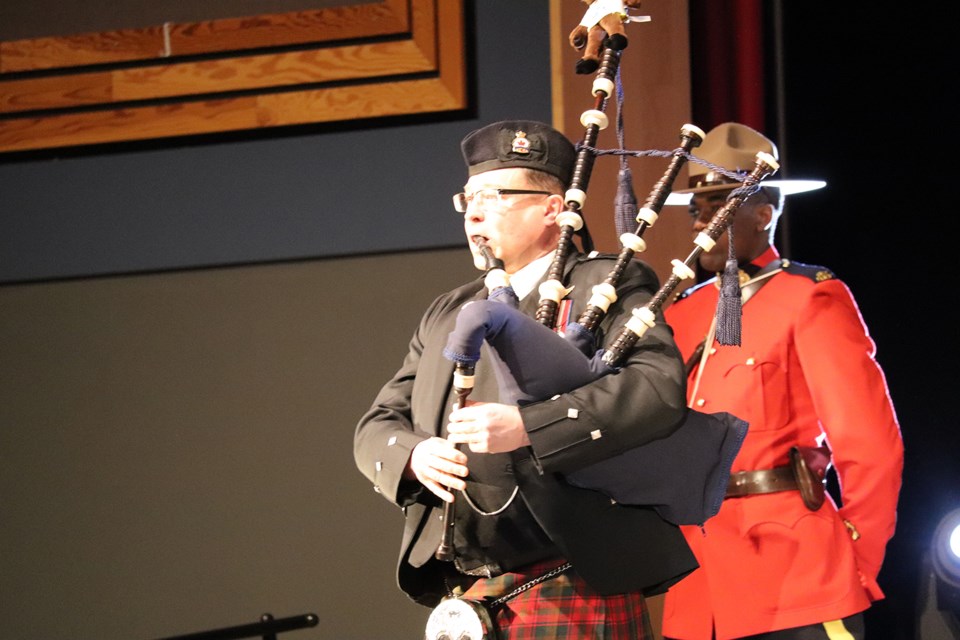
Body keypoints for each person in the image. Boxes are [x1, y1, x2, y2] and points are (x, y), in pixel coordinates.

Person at [354, 119, 699, 638]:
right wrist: (412, 455)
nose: (473, 211)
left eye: (493, 195)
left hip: (569, 575)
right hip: (467, 589)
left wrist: (530, 426)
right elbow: (379, 422)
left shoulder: (604, 283)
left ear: (553, 210)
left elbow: (656, 390)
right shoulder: (448, 310)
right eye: (467, 197)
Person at [659, 122, 904, 640]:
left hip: (795, 579)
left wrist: (855, 555)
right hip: (698, 582)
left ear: (763, 214)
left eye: (720, 203)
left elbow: (869, 445)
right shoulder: (680, 313)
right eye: (696, 206)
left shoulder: (807, 297)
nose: (701, 218)